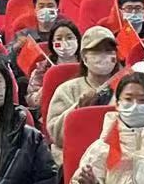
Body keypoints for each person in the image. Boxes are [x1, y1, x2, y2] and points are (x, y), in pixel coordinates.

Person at [45, 26, 121, 166]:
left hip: (118, 158)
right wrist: (78, 108)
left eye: (108, 51)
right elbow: (56, 135)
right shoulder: (68, 89)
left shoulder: (126, 88)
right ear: (84, 58)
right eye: (96, 51)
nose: (103, 56)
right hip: (78, 161)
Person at [24, 17, 80, 111]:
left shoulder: (87, 64)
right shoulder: (43, 68)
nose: (64, 42)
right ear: (52, 43)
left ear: (77, 40)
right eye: (59, 39)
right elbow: (31, 100)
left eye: (69, 38)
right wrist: (39, 95)